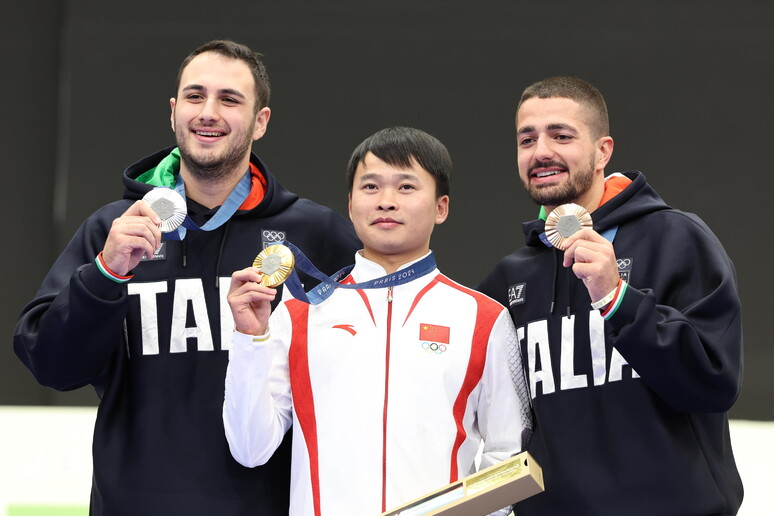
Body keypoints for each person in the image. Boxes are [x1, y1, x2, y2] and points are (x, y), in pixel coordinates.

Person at [13, 40, 360, 515]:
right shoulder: (115, 229)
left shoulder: (311, 233)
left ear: (260, 121)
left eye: (230, 99)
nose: (208, 112)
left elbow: (365, 377)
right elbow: (52, 365)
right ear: (174, 112)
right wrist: (106, 273)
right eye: (195, 97)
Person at [223, 126, 532, 516]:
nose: (386, 201)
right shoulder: (298, 314)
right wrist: (250, 340)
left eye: (406, 187)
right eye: (370, 187)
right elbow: (250, 449)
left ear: (441, 207)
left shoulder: (484, 319)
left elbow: (507, 459)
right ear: (350, 205)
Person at [476, 76, 744, 515]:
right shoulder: (509, 278)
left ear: (603, 150)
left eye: (561, 135)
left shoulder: (676, 238)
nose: (541, 151)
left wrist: (618, 299)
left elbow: (714, 381)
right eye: (527, 139)